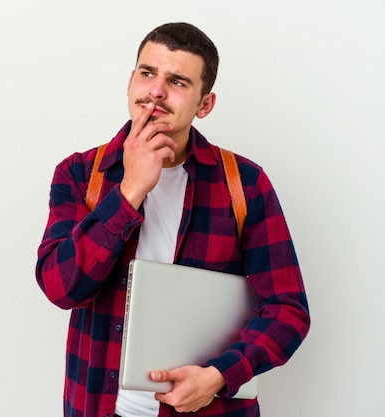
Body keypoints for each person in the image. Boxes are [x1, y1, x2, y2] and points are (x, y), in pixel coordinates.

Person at [35, 22, 310, 417]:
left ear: (205, 104)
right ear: (130, 82)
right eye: (148, 74)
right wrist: (130, 191)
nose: (157, 92)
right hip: (98, 406)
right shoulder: (81, 174)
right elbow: (61, 288)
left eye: (178, 81)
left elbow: (288, 310)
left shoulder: (245, 184)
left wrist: (218, 376)